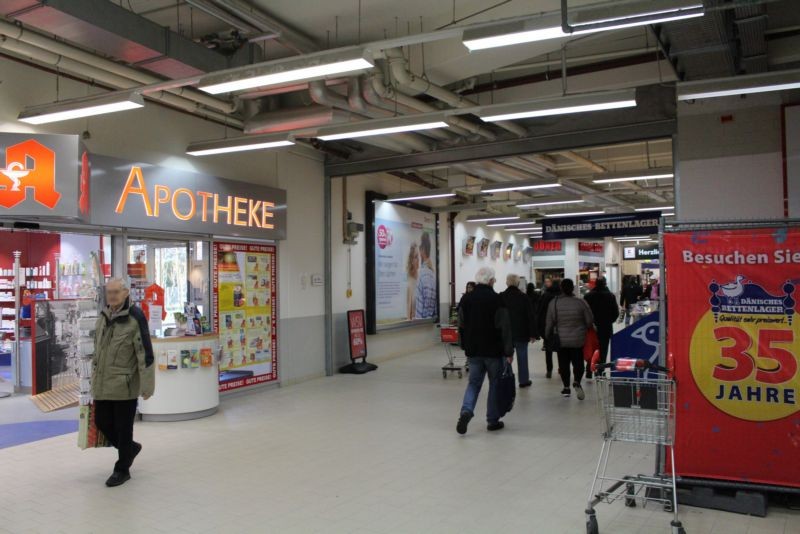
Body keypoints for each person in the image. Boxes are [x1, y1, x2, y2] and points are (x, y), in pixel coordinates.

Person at [92, 278, 155, 487]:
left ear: (126, 292)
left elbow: (145, 353)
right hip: (103, 382)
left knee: (123, 428)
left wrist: (147, 385)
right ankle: (130, 449)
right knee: (101, 422)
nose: (111, 296)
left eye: (116, 292)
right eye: (109, 292)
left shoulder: (135, 317)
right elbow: (98, 349)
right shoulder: (103, 316)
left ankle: (122, 469)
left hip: (125, 385)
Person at [456, 267, 513, 434]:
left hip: (473, 350)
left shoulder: (466, 299)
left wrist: (464, 344)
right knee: (494, 383)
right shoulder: (497, 300)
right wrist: (509, 351)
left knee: (473, 383)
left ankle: (466, 411)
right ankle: (492, 420)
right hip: (494, 351)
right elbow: (505, 328)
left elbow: (461, 324)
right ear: (490, 281)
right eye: (494, 280)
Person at [545, 278, 594, 400]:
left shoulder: (554, 303)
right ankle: (577, 381)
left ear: (561, 288)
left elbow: (549, 323)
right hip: (578, 339)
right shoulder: (580, 302)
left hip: (561, 339)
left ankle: (566, 387)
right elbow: (589, 321)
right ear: (573, 288)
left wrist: (547, 336)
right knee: (578, 363)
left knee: (563, 364)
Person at [501, 274, 536, 387]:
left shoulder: (501, 296)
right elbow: (530, 316)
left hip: (505, 333)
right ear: (517, 283)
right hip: (521, 332)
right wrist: (532, 333)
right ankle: (523, 380)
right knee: (522, 357)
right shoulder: (524, 297)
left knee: (506, 356)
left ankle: (506, 376)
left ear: (507, 283)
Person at [583, 278, 619, 379]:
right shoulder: (610, 296)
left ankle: (589, 370)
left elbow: (583, 312)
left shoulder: (588, 296)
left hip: (591, 327)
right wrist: (608, 321)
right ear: (605, 284)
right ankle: (600, 370)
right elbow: (615, 313)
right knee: (603, 349)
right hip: (605, 327)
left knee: (591, 347)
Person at [536, 278, 561, 378]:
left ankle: (549, 370)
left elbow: (540, 311)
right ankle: (561, 369)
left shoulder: (545, 295)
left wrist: (540, 327)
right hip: (560, 326)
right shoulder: (561, 296)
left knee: (548, 349)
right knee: (561, 350)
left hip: (548, 326)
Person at [414, 232, 437, 319]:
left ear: (422, 250)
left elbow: (419, 310)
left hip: (422, 324)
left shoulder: (421, 274)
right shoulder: (433, 274)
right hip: (430, 322)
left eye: (419, 249)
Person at [406, 244, 419, 320]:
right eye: (416, 257)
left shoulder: (420, 276)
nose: (418, 259)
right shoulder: (410, 281)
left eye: (418, 256)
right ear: (411, 260)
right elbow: (409, 316)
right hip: (414, 321)